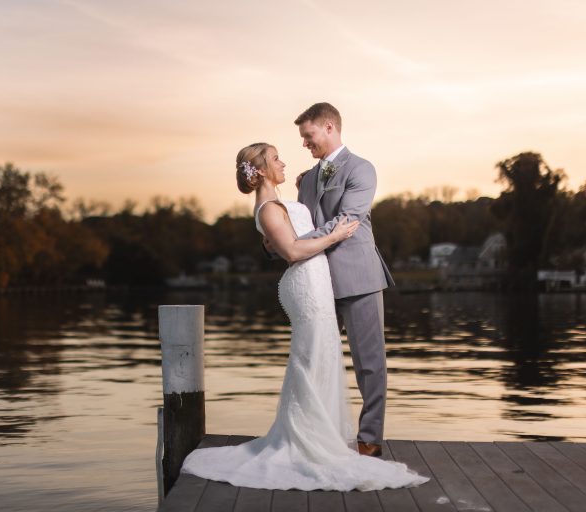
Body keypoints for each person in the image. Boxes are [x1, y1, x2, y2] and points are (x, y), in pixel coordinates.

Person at [178, 142, 428, 491]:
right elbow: (294, 249)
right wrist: (336, 234)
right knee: (310, 362)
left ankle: (318, 435)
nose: (284, 161)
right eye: (276, 158)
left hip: (320, 283)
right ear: (261, 170)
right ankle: (305, 441)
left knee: (320, 361)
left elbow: (294, 233)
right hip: (306, 286)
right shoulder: (267, 209)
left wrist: (286, 235)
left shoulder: (291, 194)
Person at [293, 102, 394, 457]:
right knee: (315, 358)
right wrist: (281, 242)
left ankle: (369, 438)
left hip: (359, 277)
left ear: (330, 127)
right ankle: (317, 435)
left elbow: (347, 222)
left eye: (309, 136)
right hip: (316, 280)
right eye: (303, 138)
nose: (305, 143)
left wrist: (292, 244)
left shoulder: (362, 169)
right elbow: (302, 224)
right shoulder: (305, 181)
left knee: (369, 362)